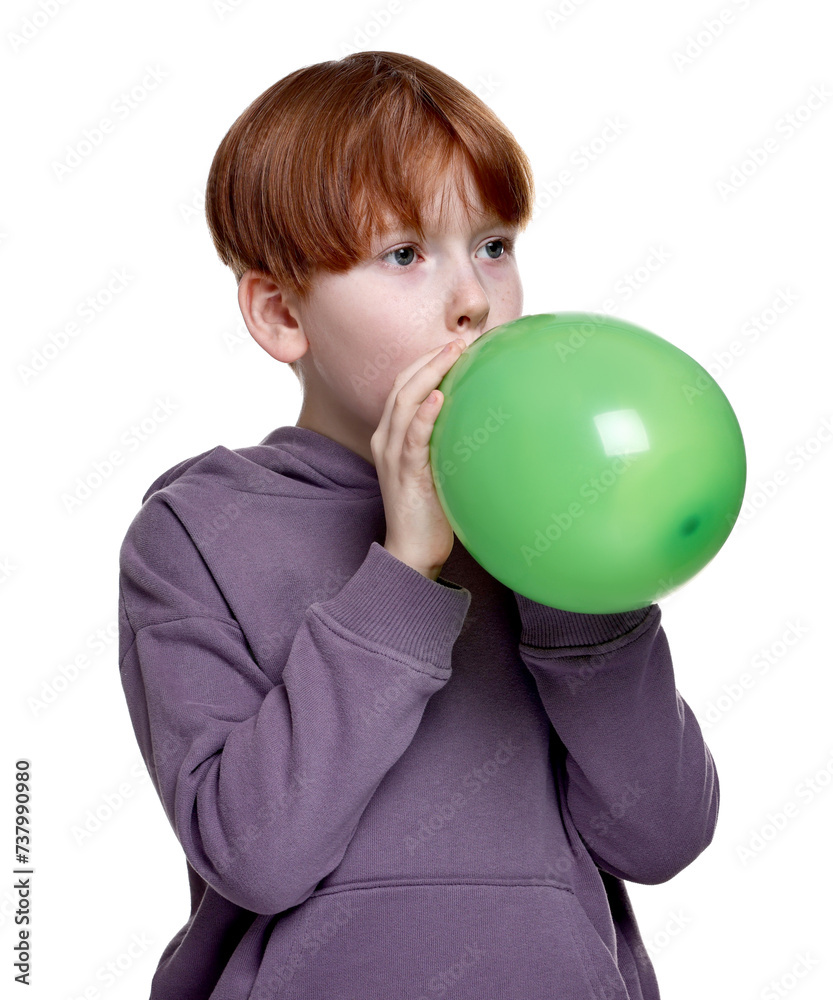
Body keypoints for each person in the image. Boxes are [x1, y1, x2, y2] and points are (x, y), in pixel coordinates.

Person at [117, 50, 719, 999]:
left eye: (493, 245)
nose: (473, 297)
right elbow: (256, 855)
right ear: (280, 313)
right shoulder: (199, 530)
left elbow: (660, 837)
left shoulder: (553, 522)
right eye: (404, 255)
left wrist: (577, 585)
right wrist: (403, 571)